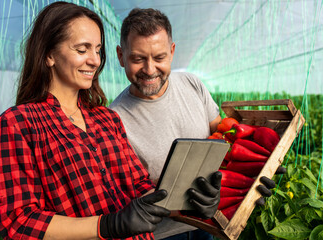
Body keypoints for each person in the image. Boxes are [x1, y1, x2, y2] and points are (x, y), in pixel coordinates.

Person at [0, 2, 221, 240]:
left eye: (98, 50)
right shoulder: (18, 124)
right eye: (82, 50)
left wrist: (190, 200)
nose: (95, 60)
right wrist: (106, 225)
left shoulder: (107, 119)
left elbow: (139, 186)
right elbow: (19, 223)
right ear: (49, 54)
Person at [109, 8, 279, 240]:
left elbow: (224, 139)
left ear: (172, 51)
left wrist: (256, 174)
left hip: (206, 225)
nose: (149, 70)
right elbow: (126, 193)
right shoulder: (113, 119)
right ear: (120, 56)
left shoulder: (191, 83)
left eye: (159, 57)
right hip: (161, 234)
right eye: (138, 59)